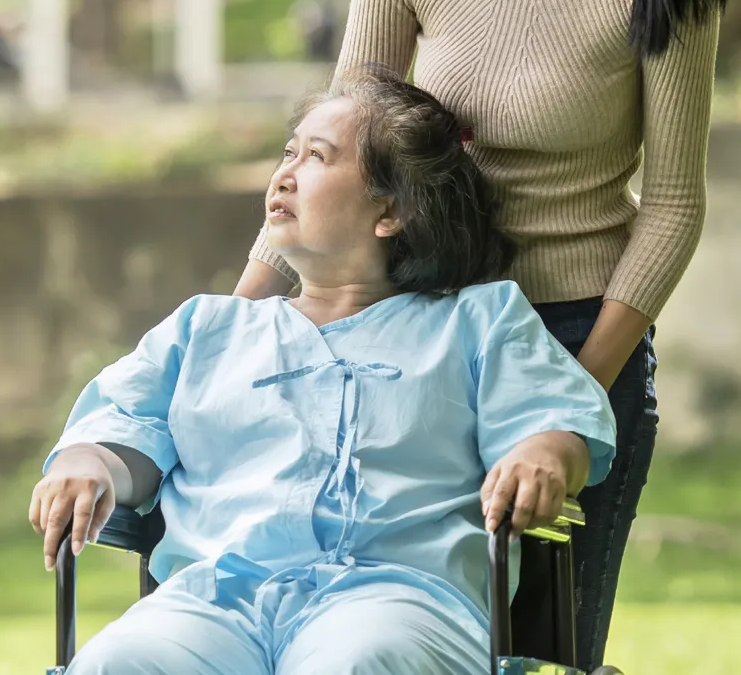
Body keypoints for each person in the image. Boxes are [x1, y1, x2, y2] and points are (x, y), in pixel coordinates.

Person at [235, 0, 736, 670]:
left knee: (543, 650)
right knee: (385, 634)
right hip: (414, 341)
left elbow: (674, 203)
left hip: (569, 336)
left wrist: (569, 396)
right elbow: (336, 149)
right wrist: (242, 316)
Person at [31, 69, 617, 675]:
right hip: (214, 601)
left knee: (358, 662)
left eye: (317, 157)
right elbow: (123, 429)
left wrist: (544, 454)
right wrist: (87, 464)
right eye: (288, 152)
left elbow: (553, 419)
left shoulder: (479, 320)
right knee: (119, 661)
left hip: (397, 597)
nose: (284, 172)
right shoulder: (205, 330)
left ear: (389, 211)